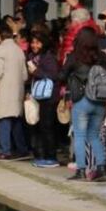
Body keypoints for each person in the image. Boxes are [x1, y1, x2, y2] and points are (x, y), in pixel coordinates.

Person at [62, 28, 106, 181]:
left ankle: (80, 170)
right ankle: (101, 169)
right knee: (94, 136)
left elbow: (61, 76)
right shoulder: (103, 57)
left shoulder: (74, 57)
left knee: (79, 135)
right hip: (100, 102)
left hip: (81, 100)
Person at [0, 26, 30, 161]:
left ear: (0, 37)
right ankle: (22, 149)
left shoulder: (0, 50)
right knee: (16, 119)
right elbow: (24, 75)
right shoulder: (19, 50)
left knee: (3, 119)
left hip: (4, 89)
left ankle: (5, 151)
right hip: (18, 89)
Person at [26, 30, 60, 168]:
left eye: (37, 42)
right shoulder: (33, 57)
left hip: (49, 97)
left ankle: (51, 157)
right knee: (39, 126)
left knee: (47, 127)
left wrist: (36, 72)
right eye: (33, 42)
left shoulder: (48, 57)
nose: (34, 45)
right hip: (38, 95)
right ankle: (42, 155)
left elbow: (53, 75)